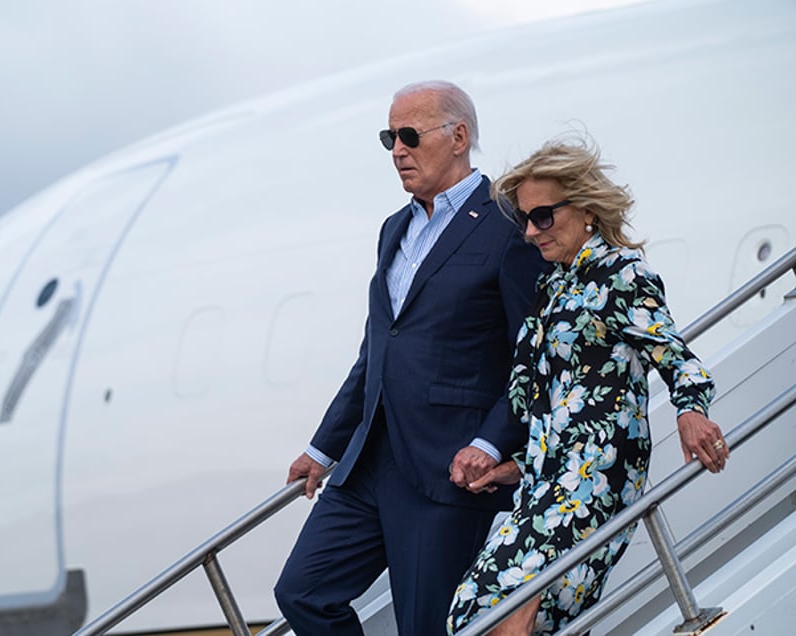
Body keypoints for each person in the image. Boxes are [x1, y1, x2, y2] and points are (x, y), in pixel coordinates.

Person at [273, 80, 547, 635]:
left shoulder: (506, 226)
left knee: (425, 627)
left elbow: (533, 357)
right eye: (389, 137)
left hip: (448, 466)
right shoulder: (393, 229)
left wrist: (491, 442)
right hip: (370, 461)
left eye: (409, 135)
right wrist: (323, 447)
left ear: (459, 137)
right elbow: (377, 352)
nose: (397, 150)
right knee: (303, 591)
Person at [447, 136, 729, 635]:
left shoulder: (621, 273)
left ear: (586, 210)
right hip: (546, 479)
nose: (532, 232)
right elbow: (551, 399)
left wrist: (691, 411)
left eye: (544, 217)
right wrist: (516, 466)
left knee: (495, 603)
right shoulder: (551, 286)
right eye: (525, 220)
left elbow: (675, 356)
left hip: (594, 477)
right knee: (475, 612)